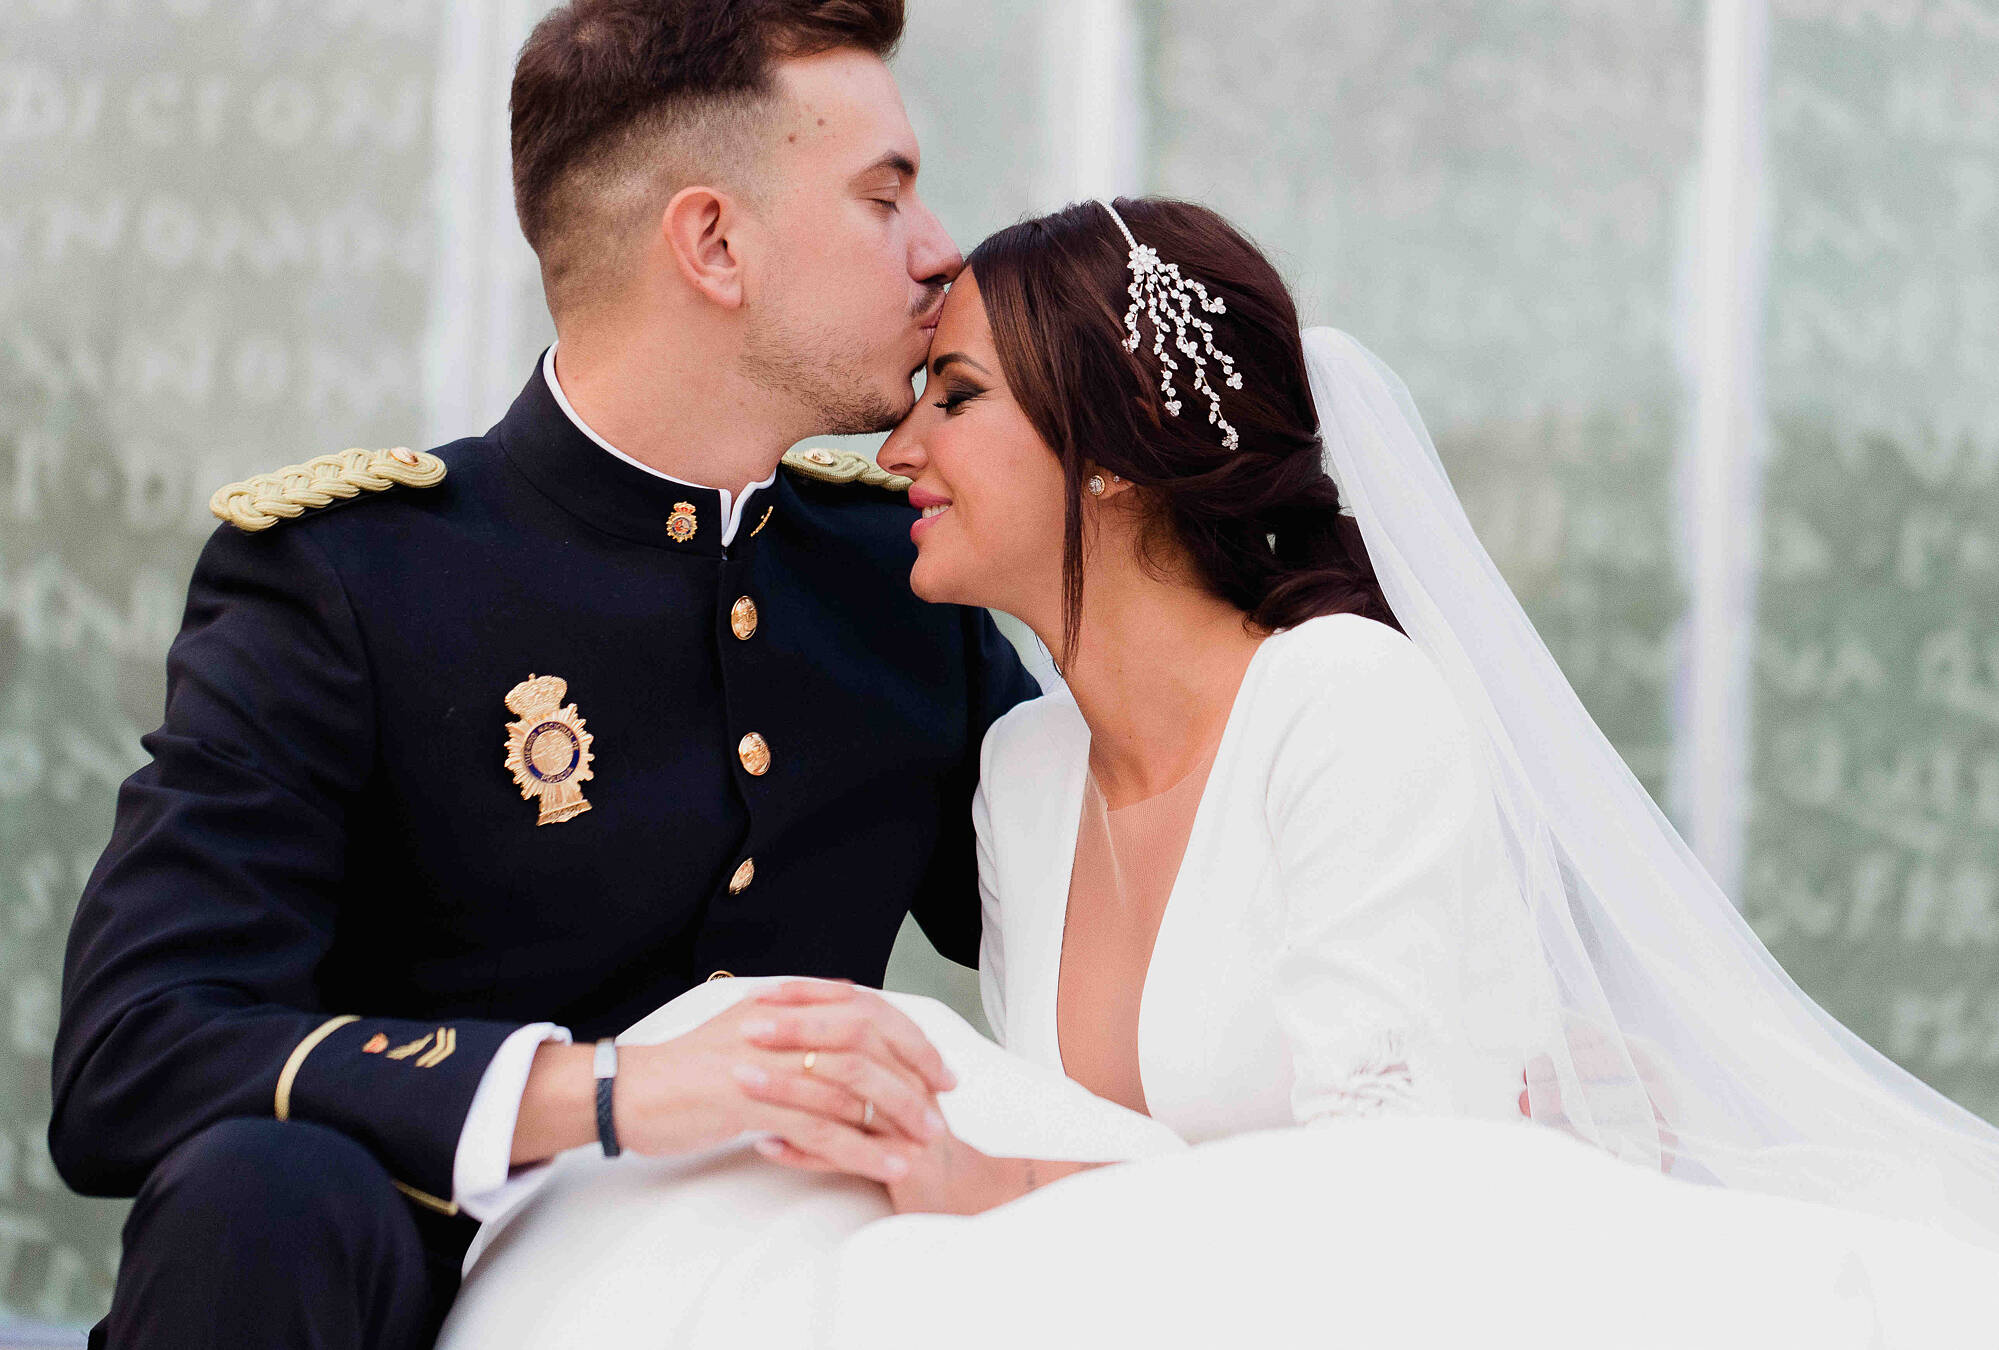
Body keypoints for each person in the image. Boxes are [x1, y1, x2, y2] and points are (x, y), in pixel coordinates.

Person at [437, 197, 1999, 1349]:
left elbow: (1398, 1209)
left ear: (1116, 454)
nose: (900, 448)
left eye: (958, 397)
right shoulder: (1022, 772)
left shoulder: (1345, 705)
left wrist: (985, 1183)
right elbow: (1136, 1180)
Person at [47, 3, 1039, 1346]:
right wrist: (609, 1090)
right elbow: (135, 1048)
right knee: (255, 1194)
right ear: (713, 243)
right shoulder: (351, 578)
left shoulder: (895, 578)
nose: (938, 251)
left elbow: (1106, 936)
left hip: (782, 1294)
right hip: (416, 1290)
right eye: (885, 196)